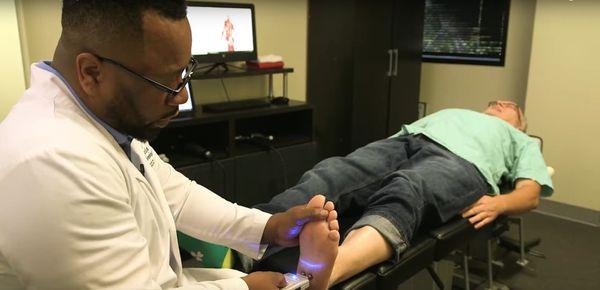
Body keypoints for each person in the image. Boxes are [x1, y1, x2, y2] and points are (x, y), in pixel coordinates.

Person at [0, 1, 339, 289]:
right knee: (345, 179)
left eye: (184, 75)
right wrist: (243, 286)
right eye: (166, 82)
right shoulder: (52, 165)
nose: (182, 96)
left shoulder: (101, 119)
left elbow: (175, 193)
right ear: (91, 72)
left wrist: (270, 227)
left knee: (341, 174)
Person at [255, 100, 554, 287]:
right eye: (494, 103)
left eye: (509, 106)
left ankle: (330, 271)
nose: (498, 103)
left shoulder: (520, 140)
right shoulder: (457, 113)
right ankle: (244, 240)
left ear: (520, 124)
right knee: (333, 173)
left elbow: (530, 193)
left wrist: (499, 203)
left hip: (463, 163)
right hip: (406, 141)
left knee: (408, 186)